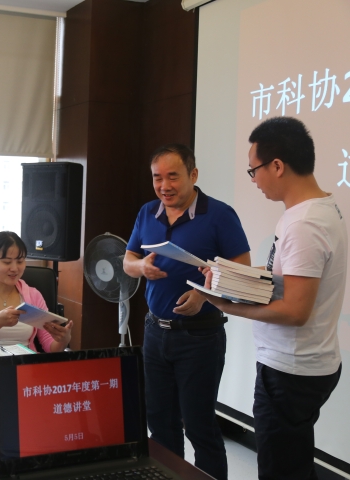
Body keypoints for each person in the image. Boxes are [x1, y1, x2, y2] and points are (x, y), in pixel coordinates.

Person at [198, 117, 347, 480]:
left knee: (280, 470)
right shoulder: (319, 208)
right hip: (306, 364)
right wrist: (231, 277)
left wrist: (228, 306)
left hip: (290, 370)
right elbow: (287, 279)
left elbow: (296, 311)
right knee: (294, 463)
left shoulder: (304, 224)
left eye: (254, 170)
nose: (254, 180)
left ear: (277, 166)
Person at [122, 144, 251, 480]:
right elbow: (127, 260)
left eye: (173, 177)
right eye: (157, 178)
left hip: (200, 337)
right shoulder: (147, 212)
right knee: (160, 423)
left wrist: (204, 294)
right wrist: (141, 268)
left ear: (193, 175)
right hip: (155, 333)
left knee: (199, 425)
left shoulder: (220, 215)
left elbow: (243, 272)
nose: (164, 186)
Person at [0, 231, 72, 354]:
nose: (15, 268)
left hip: (24, 363)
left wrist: (63, 341)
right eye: (7, 262)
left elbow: (50, 347)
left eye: (20, 261)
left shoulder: (33, 295)